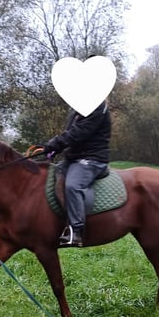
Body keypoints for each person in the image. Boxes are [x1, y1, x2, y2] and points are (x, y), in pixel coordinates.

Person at [43, 99, 111, 247]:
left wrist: (55, 143)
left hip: (93, 158)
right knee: (54, 175)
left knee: (72, 185)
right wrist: (54, 149)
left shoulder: (98, 106)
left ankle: (76, 231)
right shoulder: (77, 107)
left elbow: (80, 133)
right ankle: (62, 222)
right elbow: (70, 135)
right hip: (75, 158)